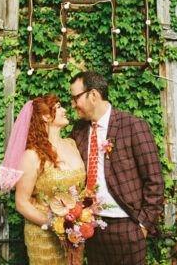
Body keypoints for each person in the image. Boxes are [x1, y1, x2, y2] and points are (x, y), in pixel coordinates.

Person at [69, 70, 165, 265]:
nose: (72, 104)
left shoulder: (133, 126)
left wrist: (142, 225)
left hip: (127, 226)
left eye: (75, 98)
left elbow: (154, 179)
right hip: (92, 227)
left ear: (93, 95)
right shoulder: (78, 131)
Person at [0, 95, 85, 265]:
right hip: (44, 237)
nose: (65, 110)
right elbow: (22, 202)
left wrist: (78, 221)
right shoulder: (32, 155)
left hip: (75, 235)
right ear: (45, 116)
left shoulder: (71, 144)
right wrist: (55, 225)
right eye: (58, 107)